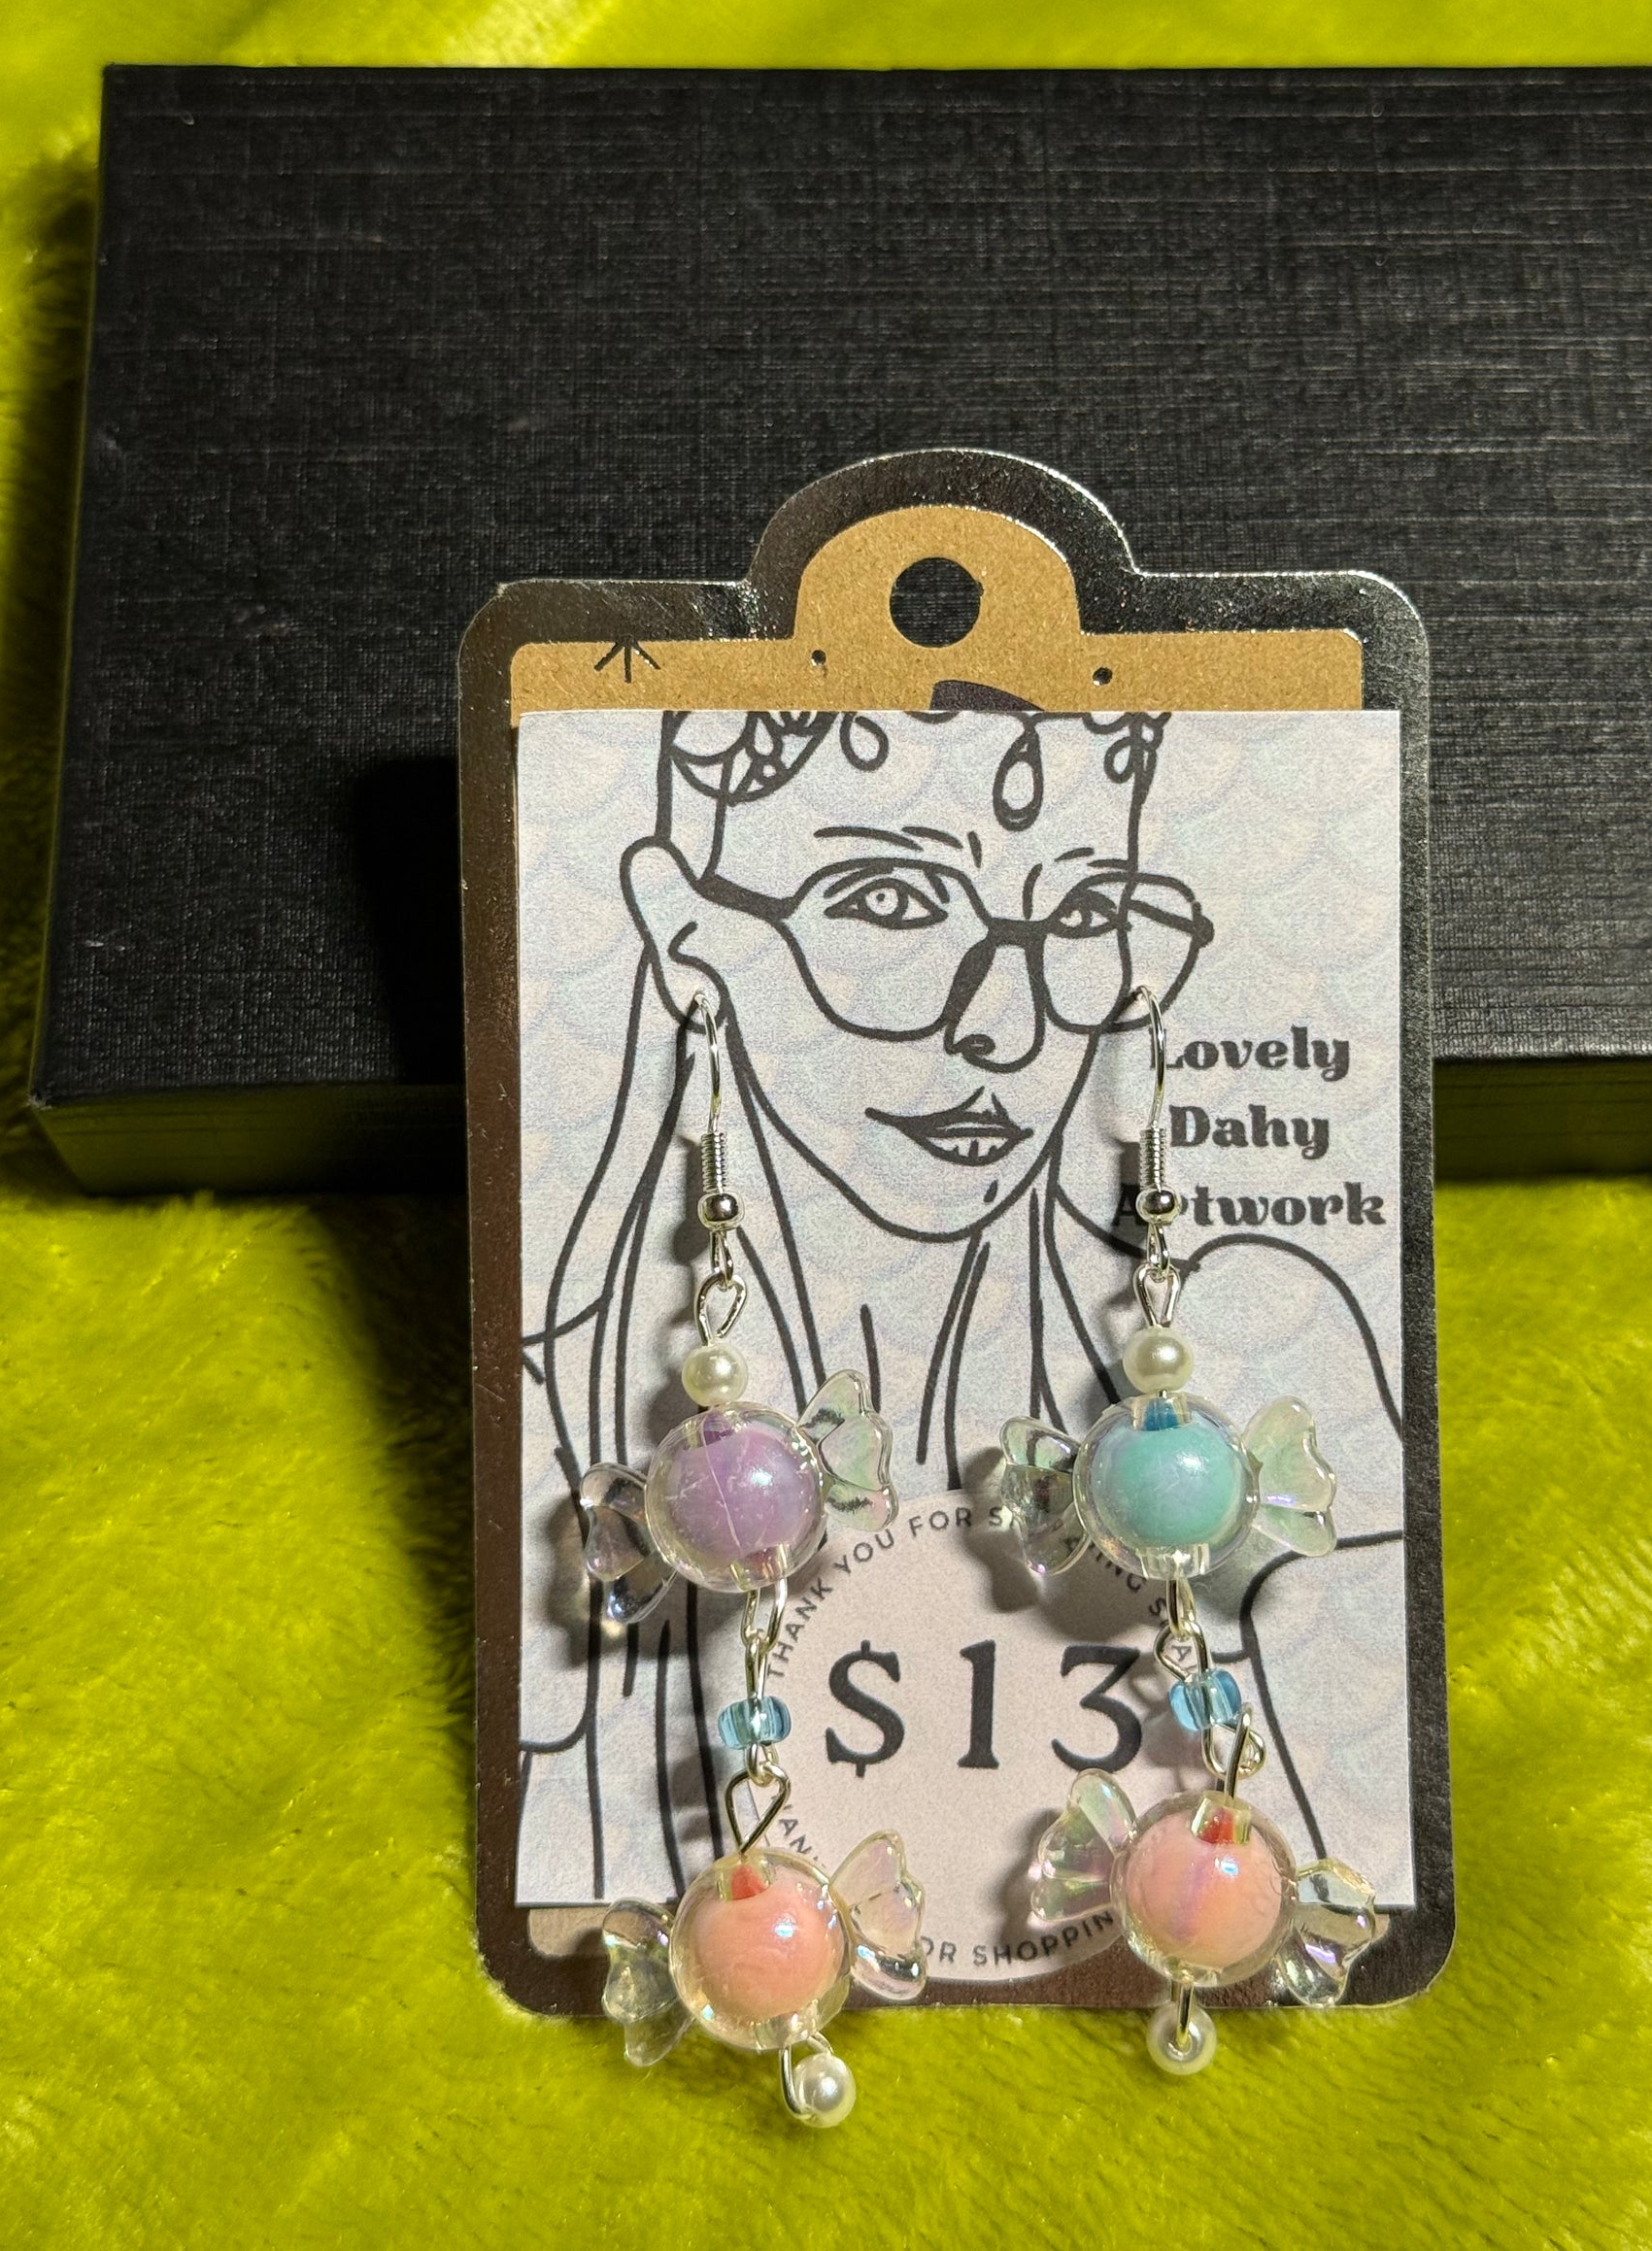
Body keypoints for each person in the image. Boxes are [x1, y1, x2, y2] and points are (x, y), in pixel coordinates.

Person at [515, 705, 1403, 1909]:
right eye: (889, 903)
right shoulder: (552, 1385)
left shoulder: (1292, 1324)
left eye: (1081, 919)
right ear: (686, 932)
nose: (1004, 1025)